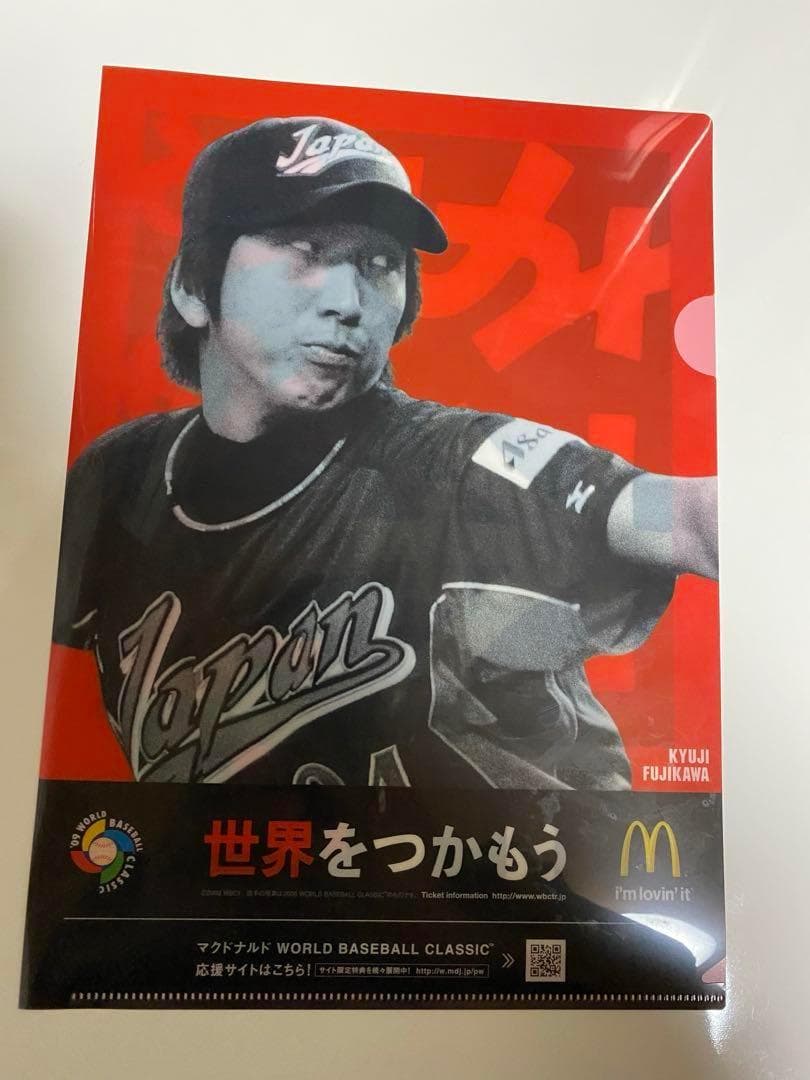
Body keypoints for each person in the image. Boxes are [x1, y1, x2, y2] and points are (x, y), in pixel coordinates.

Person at [53, 116, 717, 787]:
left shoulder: (453, 465)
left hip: (521, 854)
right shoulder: (118, 479)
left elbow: (670, 515)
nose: (350, 303)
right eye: (306, 251)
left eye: (379, 265)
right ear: (194, 287)